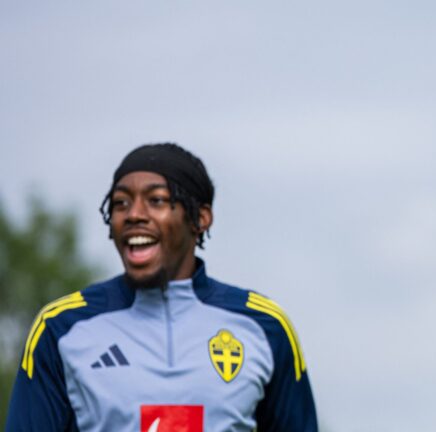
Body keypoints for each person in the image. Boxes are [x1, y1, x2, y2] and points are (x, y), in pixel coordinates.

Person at [6, 143, 317, 431]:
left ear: (200, 218)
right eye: (120, 203)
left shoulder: (264, 327)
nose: (134, 215)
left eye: (156, 200)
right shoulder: (62, 327)